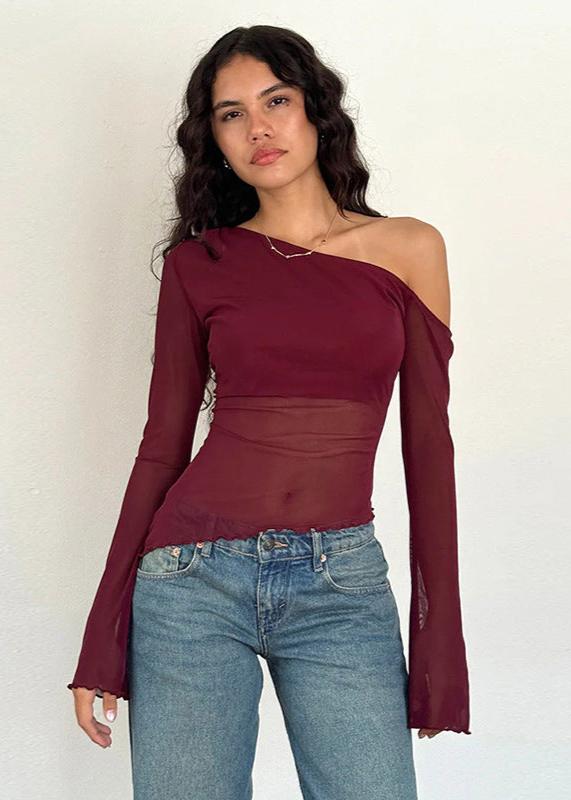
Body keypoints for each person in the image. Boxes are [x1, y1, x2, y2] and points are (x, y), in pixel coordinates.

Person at [68, 24, 471, 800]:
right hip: (189, 582)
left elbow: (429, 447)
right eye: (231, 114)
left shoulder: (408, 248)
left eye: (275, 101)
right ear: (214, 141)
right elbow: (161, 447)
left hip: (341, 584)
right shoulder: (198, 265)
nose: (257, 127)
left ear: (316, 110)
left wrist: (438, 648)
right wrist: (101, 641)